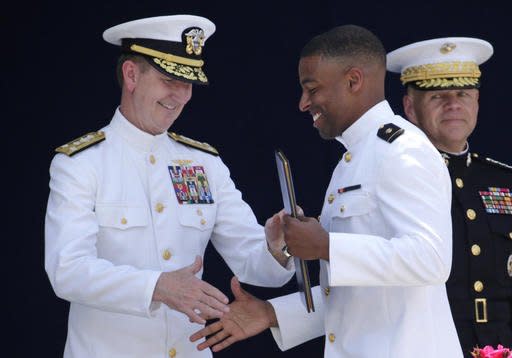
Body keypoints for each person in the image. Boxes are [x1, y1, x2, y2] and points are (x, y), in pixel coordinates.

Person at [190, 24, 463, 357]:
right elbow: (358, 293)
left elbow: (431, 261)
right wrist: (272, 313)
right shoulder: (355, 157)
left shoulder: (402, 151)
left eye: (312, 88)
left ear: (353, 81)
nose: (304, 103)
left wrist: (326, 245)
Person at [44, 14, 294, 358]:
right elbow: (66, 270)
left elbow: (255, 264)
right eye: (168, 80)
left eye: (187, 83)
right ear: (131, 75)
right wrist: (157, 287)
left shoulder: (204, 163)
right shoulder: (81, 163)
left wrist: (275, 245)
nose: (179, 95)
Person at [387, 37, 512, 355]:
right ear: (410, 108)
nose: (453, 105)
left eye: (462, 94)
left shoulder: (503, 180)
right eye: (437, 95)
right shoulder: (393, 180)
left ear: (477, 103)